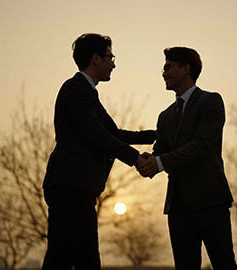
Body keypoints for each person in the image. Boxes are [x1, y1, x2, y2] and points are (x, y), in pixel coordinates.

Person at [42, 33, 156, 270]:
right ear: (96, 59)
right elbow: (96, 135)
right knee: (61, 258)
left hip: (81, 189)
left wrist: (158, 135)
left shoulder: (87, 92)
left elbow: (113, 134)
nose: (113, 63)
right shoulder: (76, 89)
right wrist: (135, 159)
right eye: (110, 57)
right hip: (69, 187)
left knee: (87, 260)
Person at [137, 47, 237, 269]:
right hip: (178, 205)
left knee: (224, 264)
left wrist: (159, 163)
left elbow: (203, 144)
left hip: (211, 199)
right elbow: (160, 152)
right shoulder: (164, 117)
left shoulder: (211, 101)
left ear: (186, 68)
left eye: (168, 67)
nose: (163, 73)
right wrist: (147, 161)